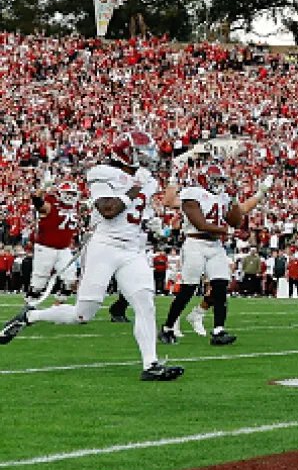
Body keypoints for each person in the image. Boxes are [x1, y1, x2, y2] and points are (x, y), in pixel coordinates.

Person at [0, 131, 184, 381]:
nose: (147, 157)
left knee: (145, 304)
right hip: (104, 247)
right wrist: (135, 188)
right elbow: (108, 209)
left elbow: (141, 211)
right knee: (82, 315)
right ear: (125, 154)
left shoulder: (147, 179)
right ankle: (31, 315)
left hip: (132, 250)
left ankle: (151, 364)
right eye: (141, 152)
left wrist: (151, 221)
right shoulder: (103, 173)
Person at [158, 163, 271, 346]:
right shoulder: (192, 194)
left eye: (220, 180)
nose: (219, 184)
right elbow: (201, 224)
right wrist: (227, 231)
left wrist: (234, 201)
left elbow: (235, 221)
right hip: (195, 244)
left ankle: (218, 330)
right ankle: (167, 327)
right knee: (188, 289)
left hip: (215, 245)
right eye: (216, 180)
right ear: (205, 179)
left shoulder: (223, 197)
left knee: (220, 285)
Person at [27, 179, 84, 305]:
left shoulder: (75, 207)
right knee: (39, 282)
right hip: (45, 247)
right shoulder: (51, 203)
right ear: (60, 193)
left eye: (73, 193)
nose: (70, 196)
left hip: (64, 249)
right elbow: (37, 201)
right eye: (68, 193)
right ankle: (28, 307)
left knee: (71, 280)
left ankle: (58, 305)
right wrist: (43, 187)